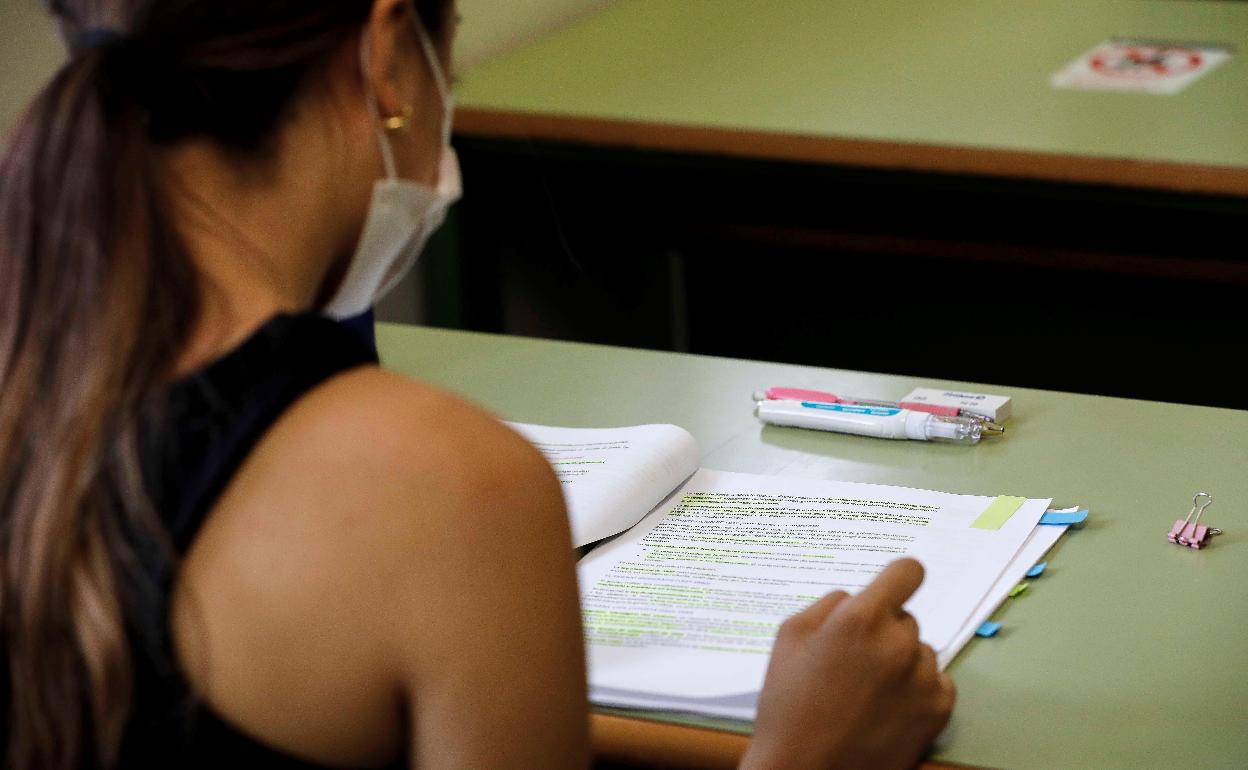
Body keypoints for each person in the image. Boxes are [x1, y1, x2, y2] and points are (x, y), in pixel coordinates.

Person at [0, 1, 955, 768]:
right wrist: (804, 752)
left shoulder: (35, 360)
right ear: (384, 58)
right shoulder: (449, 488)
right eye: (445, 66)